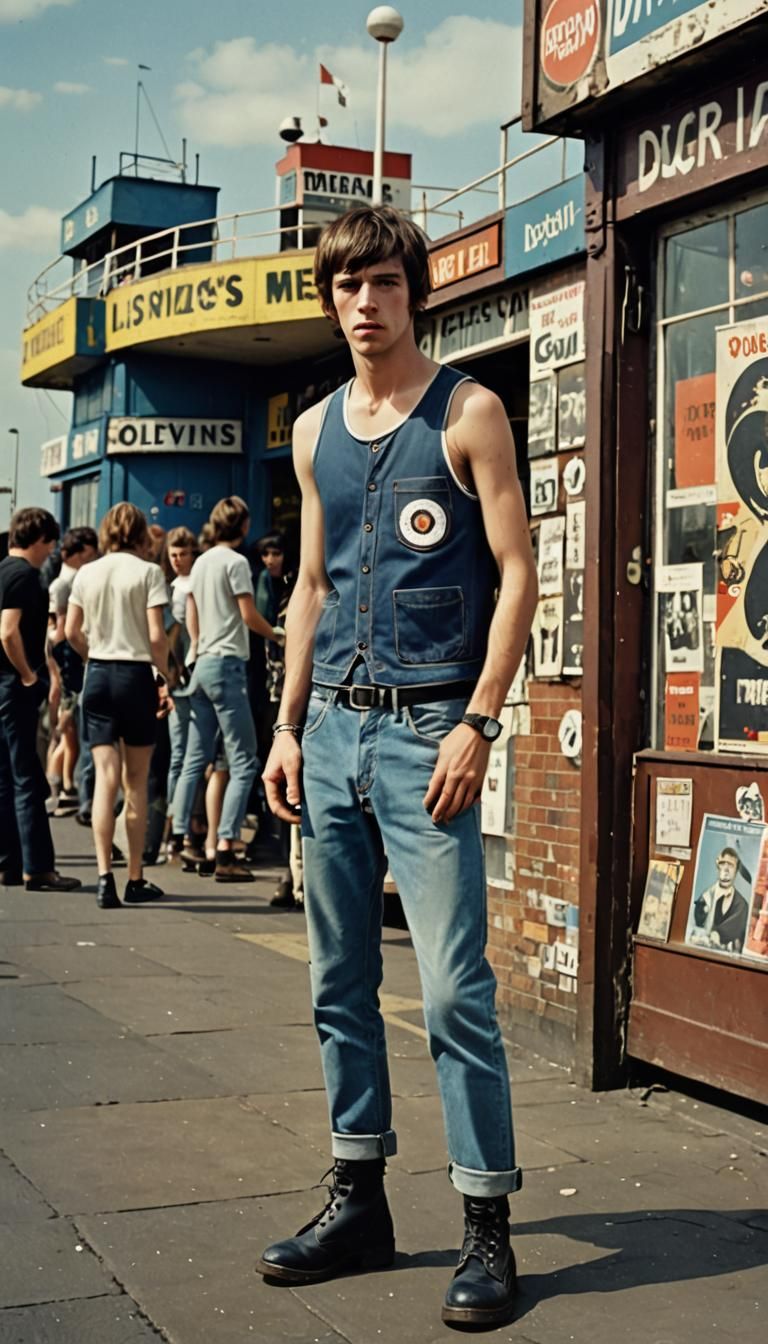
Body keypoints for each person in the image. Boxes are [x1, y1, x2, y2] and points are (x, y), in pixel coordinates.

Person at [257, 205, 538, 1329]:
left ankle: (486, 1221)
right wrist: (285, 725)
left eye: (382, 282)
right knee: (336, 985)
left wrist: (479, 719)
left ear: (414, 290)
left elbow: (518, 573)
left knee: (455, 990)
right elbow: (312, 585)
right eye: (345, 286)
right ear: (328, 300)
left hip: (431, 734)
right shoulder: (314, 426)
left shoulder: (469, 412)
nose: (364, 303)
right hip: (329, 731)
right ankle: (359, 1196)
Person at [171, 496, 283, 883]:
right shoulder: (236, 564)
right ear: (244, 526)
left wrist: (197, 645)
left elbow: (192, 612)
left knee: (195, 755)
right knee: (245, 761)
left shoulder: (201, 562)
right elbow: (248, 615)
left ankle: (180, 833)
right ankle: (225, 847)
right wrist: (278, 634)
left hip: (201, 664)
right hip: (227, 665)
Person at [65, 502, 172, 909]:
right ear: (141, 532)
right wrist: (162, 678)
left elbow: (71, 631)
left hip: (98, 677)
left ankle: (103, 876)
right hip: (135, 677)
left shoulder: (87, 573)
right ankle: (135, 878)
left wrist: (93, 655)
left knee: (105, 780)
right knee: (135, 783)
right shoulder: (148, 572)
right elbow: (157, 636)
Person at [0, 507, 82, 892]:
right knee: (27, 777)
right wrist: (29, 674)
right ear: (38, 540)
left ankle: (9, 863)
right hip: (13, 687)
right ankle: (38, 868)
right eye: (49, 544)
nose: (50, 551)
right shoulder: (25, 577)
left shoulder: (1, 570)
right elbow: (8, 631)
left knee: (5, 777)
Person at [255, 532, 297, 907]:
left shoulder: (293, 590)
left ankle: (292, 875)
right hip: (274, 694)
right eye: (265, 552)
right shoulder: (260, 589)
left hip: (288, 695)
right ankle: (290, 872)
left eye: (277, 551)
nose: (270, 558)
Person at [47, 527, 99, 817]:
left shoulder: (65, 580)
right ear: (78, 554)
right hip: (69, 661)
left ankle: (63, 786)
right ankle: (59, 786)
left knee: (69, 730)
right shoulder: (65, 584)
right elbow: (60, 631)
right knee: (67, 730)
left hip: (68, 660)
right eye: (89, 554)